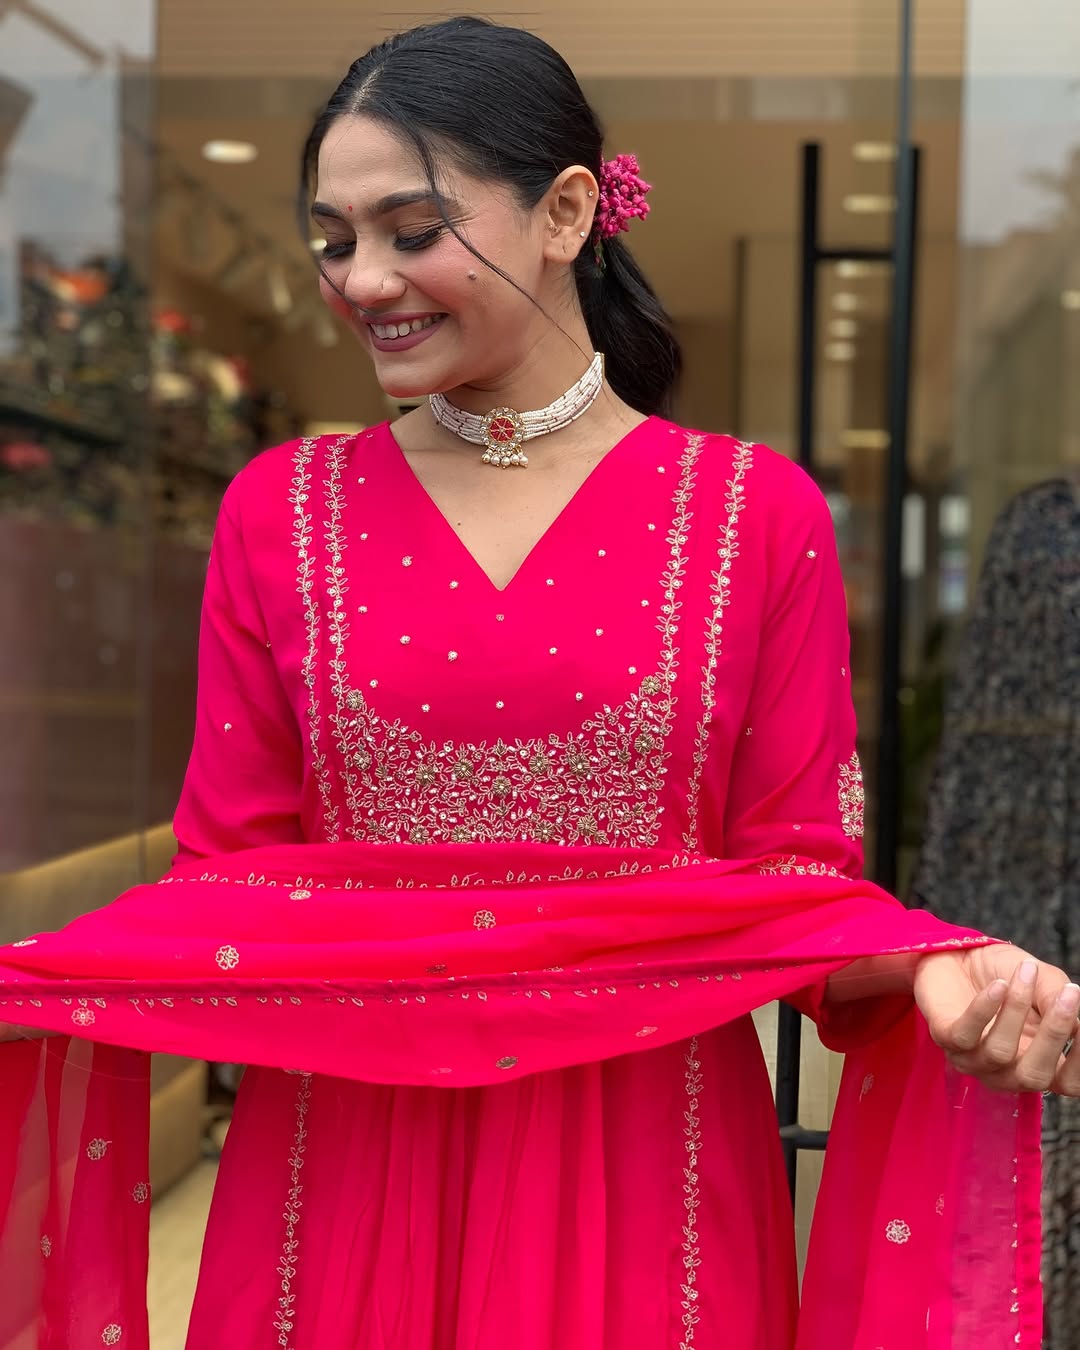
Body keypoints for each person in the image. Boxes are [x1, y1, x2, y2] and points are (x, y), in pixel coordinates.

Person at [0, 16, 1076, 1349]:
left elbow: (799, 894)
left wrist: (931, 970)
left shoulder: (755, 515)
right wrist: (44, 978)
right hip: (344, 1164)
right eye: (335, 239)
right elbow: (232, 885)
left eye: (410, 228)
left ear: (568, 211)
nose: (362, 279)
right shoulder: (280, 514)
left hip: (653, 1165)